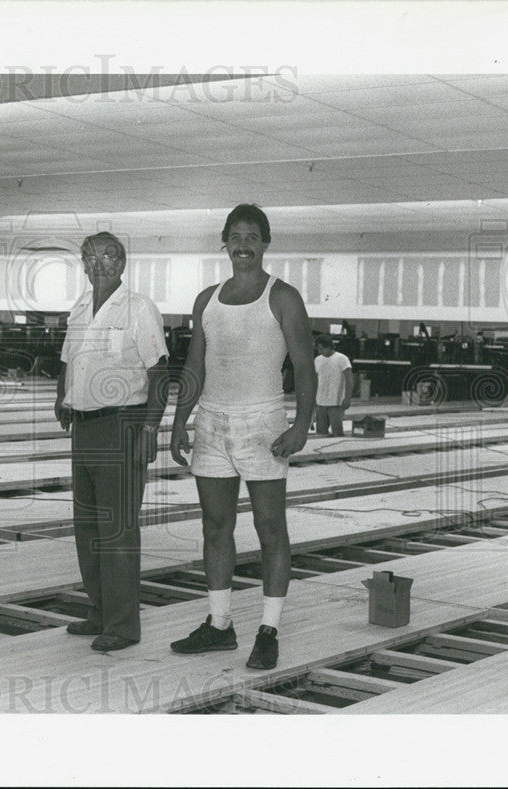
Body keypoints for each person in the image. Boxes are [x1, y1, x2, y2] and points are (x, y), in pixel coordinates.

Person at [169, 204, 316, 670]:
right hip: (211, 421)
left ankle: (268, 631)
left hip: (263, 422)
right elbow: (195, 366)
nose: (244, 245)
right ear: (225, 242)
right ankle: (219, 625)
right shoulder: (207, 299)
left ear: (266, 243)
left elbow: (305, 368)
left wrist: (300, 426)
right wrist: (179, 421)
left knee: (271, 530)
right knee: (216, 527)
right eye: (236, 237)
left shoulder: (283, 297)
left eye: (253, 237)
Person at [55, 232, 169, 652]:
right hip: (83, 428)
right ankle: (100, 612)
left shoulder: (138, 308)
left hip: (122, 426)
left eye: (107, 255)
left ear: (122, 263)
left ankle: (123, 626)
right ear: (82, 264)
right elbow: (69, 359)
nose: (98, 262)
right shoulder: (81, 307)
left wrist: (150, 430)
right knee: (87, 529)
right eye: (89, 256)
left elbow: (159, 374)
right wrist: (61, 397)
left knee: (116, 532)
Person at [313, 334, 353, 437]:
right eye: (318, 349)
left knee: (337, 432)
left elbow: (349, 380)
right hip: (320, 403)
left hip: (336, 403)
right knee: (321, 434)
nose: (319, 351)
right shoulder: (317, 360)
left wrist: (347, 398)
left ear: (329, 347)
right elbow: (316, 380)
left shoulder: (342, 359)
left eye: (321, 349)